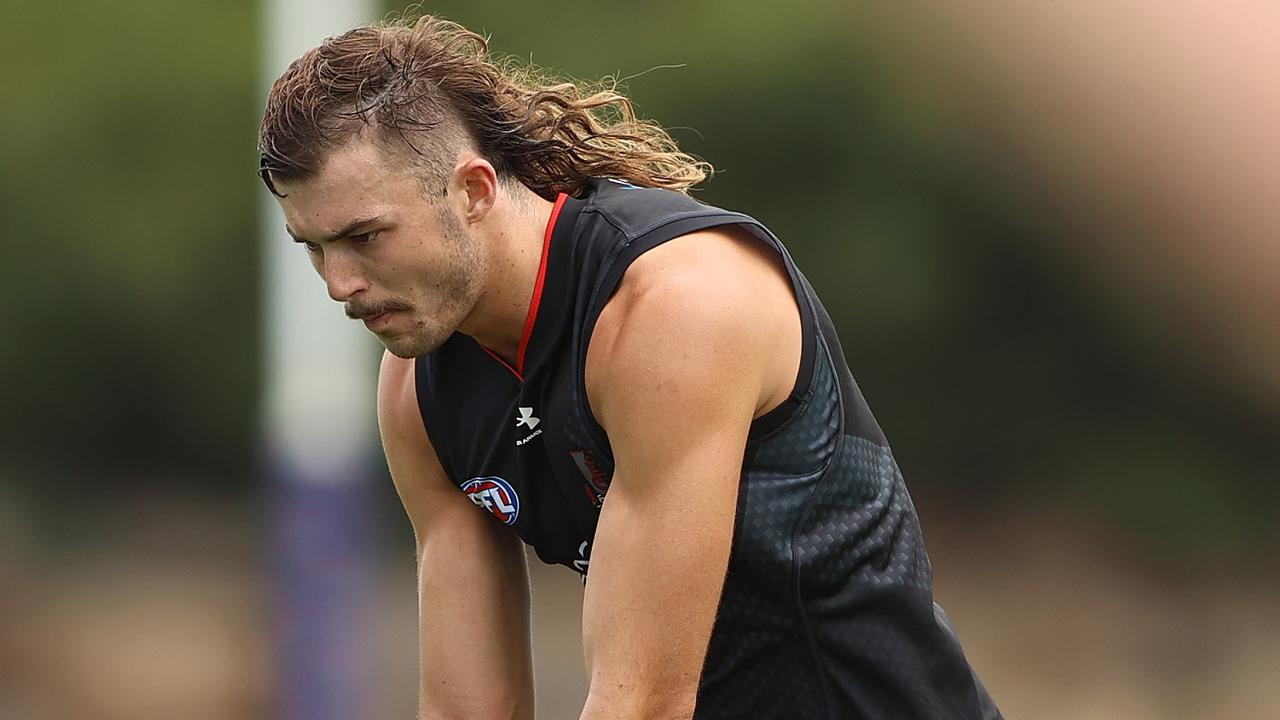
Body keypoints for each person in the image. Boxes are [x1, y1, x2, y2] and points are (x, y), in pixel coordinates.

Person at [258, 14, 1001, 720]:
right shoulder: (418, 390)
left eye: (364, 236)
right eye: (314, 247)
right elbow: (467, 708)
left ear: (475, 190)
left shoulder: (674, 307)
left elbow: (642, 705)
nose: (338, 284)